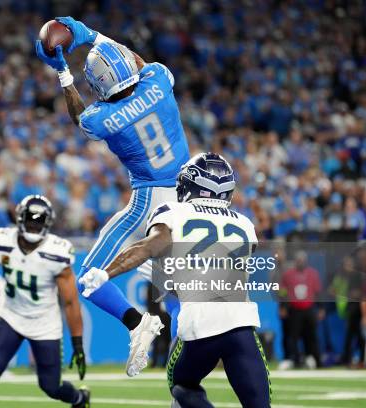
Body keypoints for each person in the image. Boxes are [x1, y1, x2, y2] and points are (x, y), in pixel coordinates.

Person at [36, 16, 190, 376]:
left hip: (150, 201)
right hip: (187, 198)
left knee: (89, 276)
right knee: (178, 290)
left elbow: (79, 116)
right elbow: (134, 62)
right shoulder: (160, 80)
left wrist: (63, 73)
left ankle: (138, 323)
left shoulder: (103, 117)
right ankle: (186, 370)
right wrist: (92, 35)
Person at [80, 153, 270, 407]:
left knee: (182, 387)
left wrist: (107, 272)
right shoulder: (245, 224)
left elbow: (150, 246)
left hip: (199, 326)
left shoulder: (173, 211)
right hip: (242, 325)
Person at [0, 195, 89, 408]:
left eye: (39, 221)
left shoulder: (57, 253)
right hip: (11, 316)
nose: (34, 225)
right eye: (30, 220)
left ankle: (79, 398)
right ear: (19, 218)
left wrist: (78, 343)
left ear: (48, 223)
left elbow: (71, 302)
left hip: (44, 324)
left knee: (51, 387)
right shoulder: (1, 240)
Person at [279, 251, 323, 368]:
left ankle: (316, 360)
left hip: (309, 309)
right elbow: (283, 292)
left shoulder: (313, 274)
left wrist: (321, 308)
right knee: (293, 336)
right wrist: (282, 307)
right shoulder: (288, 274)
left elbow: (318, 292)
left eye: (302, 260)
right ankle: (296, 360)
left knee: (311, 336)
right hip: (294, 309)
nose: (300, 263)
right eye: (298, 260)